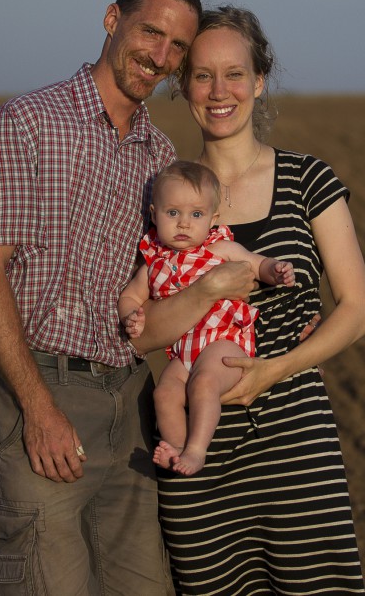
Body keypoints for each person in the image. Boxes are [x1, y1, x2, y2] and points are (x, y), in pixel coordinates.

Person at [0, 0, 257, 596]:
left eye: (178, 47)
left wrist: (284, 313)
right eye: (151, 32)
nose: (161, 56)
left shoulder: (158, 156)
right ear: (111, 19)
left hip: (131, 403)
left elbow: (187, 273)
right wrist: (37, 408)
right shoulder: (28, 123)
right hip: (44, 390)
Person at [138, 5, 365, 594]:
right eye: (201, 75)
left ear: (259, 79)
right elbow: (139, 332)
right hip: (198, 456)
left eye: (235, 74)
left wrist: (272, 371)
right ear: (183, 86)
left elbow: (357, 310)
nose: (220, 92)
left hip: (296, 443)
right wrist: (207, 290)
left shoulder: (307, 180)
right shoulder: (165, 194)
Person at [118, 160, 295, 476]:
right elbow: (131, 295)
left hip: (224, 342)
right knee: (165, 393)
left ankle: (197, 450)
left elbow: (255, 264)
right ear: (154, 213)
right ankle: (176, 447)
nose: (184, 223)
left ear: (213, 219)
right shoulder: (153, 264)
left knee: (204, 384)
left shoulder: (220, 249)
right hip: (186, 349)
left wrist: (275, 270)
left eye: (195, 215)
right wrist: (131, 314)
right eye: (173, 213)